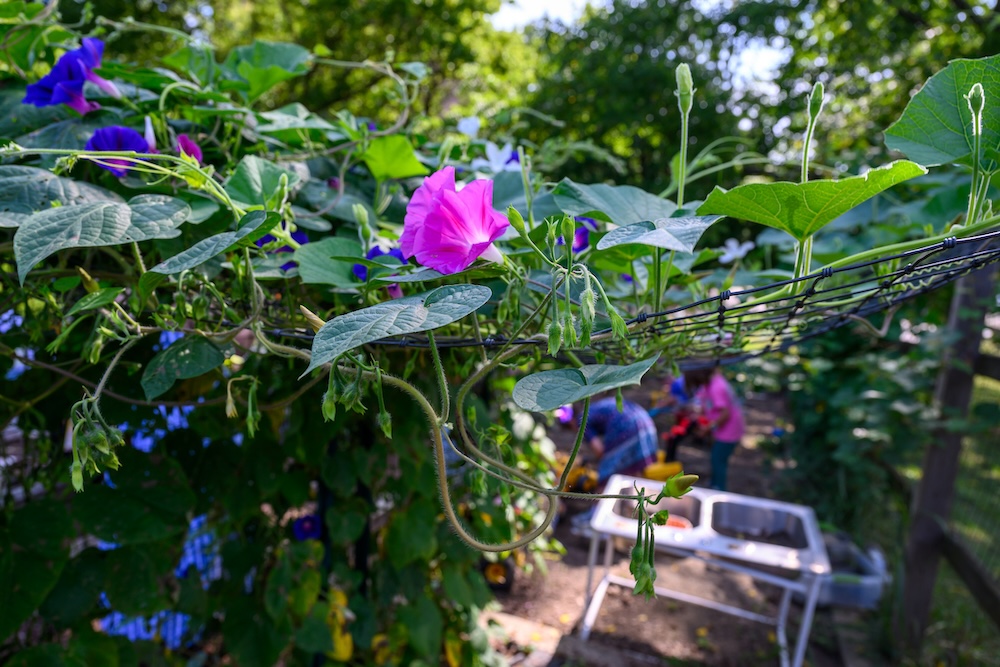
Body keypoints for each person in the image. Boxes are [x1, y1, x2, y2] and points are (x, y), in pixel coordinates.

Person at [683, 367, 745, 491]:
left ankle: (719, 487)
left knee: (718, 459)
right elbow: (705, 402)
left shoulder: (717, 387)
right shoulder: (710, 383)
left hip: (729, 431)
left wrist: (708, 427)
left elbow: (725, 413)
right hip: (723, 430)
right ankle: (714, 482)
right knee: (716, 457)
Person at [582, 396, 659, 486]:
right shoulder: (598, 406)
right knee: (634, 471)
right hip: (645, 422)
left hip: (626, 426)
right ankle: (636, 497)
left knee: (607, 476)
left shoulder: (581, 418)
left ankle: (605, 496)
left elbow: (599, 450)